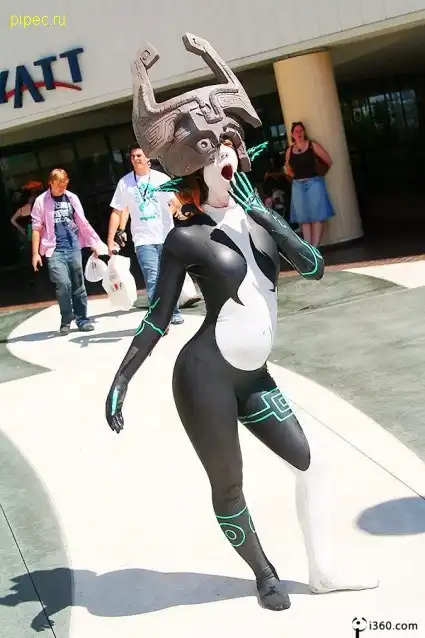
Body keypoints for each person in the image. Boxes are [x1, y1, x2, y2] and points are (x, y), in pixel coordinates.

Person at [105, 33, 378, 613]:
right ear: (194, 169)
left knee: (314, 464)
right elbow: (157, 317)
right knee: (229, 485)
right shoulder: (186, 238)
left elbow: (313, 265)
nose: (224, 155)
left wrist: (263, 215)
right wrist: (122, 377)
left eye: (228, 143)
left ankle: (323, 572)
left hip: (253, 376)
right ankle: (264, 573)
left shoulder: (259, 218)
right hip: (204, 378)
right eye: (211, 150)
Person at [107, 144, 184, 325]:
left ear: (148, 158)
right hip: (143, 239)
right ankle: (159, 318)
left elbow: (176, 202)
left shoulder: (161, 179)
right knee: (152, 278)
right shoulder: (125, 183)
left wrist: (169, 214)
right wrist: (110, 240)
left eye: (139, 155)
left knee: (168, 277)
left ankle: (173, 312)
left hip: (166, 236)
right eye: (133, 156)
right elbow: (117, 212)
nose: (135, 159)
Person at [31, 168, 102, 335]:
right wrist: (35, 253)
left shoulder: (71, 198)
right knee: (63, 284)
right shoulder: (41, 201)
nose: (62, 188)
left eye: (64, 184)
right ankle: (66, 318)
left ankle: (82, 320)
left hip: (73, 246)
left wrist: (93, 243)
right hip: (54, 249)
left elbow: (82, 222)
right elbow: (36, 228)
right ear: (51, 183)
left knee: (78, 285)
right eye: (58, 185)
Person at [284, 121, 335, 247]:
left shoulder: (312, 145)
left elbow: (328, 161)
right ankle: (309, 249)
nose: (299, 133)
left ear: (304, 132)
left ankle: (315, 248)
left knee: (317, 216)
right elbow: (288, 168)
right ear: (292, 134)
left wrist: (318, 172)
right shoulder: (290, 150)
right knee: (303, 218)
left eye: (301, 130)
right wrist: (290, 173)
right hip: (298, 185)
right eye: (296, 131)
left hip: (314, 183)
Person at [10, 181, 43, 283]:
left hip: (26, 231)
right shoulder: (35, 207)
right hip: (34, 230)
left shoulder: (21, 209)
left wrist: (20, 228)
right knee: (38, 249)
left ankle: (32, 275)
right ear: (29, 198)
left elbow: (12, 220)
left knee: (29, 253)